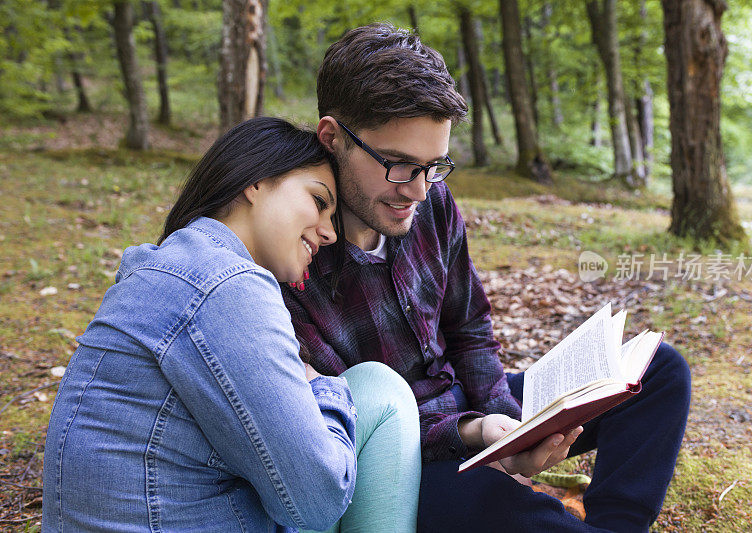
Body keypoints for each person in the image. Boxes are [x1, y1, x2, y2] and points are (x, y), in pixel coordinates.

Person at [282, 24, 692, 532]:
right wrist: (475, 435)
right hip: (397, 459)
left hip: (474, 417)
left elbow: (470, 327)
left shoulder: (431, 204)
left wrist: (510, 429)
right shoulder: (290, 253)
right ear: (332, 137)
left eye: (434, 166)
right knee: (508, 510)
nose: (416, 190)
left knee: (658, 371)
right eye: (399, 165)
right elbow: (344, 418)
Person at [42, 117, 421, 533]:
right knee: (380, 392)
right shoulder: (225, 284)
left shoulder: (168, 268)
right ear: (255, 183)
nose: (330, 233)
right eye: (318, 201)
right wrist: (322, 388)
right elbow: (320, 498)